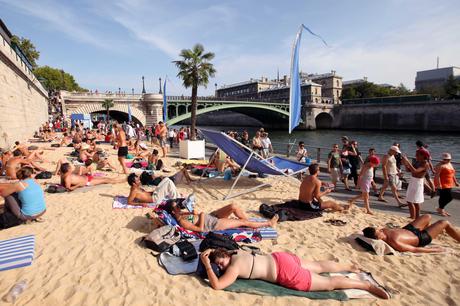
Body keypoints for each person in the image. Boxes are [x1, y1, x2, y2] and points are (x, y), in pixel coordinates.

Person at [199, 248, 389, 299]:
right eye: (219, 266)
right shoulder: (235, 252)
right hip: (281, 257)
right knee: (318, 266)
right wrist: (212, 252)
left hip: (283, 271)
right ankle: (350, 266)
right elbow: (219, 252)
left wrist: (207, 264)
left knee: (328, 284)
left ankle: (366, 285)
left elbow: (217, 285)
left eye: (220, 263)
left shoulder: (234, 268)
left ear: (224, 257)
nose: (222, 268)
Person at [363, 214, 460, 253]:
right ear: (378, 238)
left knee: (427, 216)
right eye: (378, 232)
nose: (380, 230)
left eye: (378, 229)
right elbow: (414, 249)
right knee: (444, 223)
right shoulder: (394, 242)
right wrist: (435, 249)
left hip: (409, 229)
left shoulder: (382, 231)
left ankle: (431, 230)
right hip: (420, 238)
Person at [163, 201, 278, 233]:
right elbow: (201, 229)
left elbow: (195, 216)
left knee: (233, 206)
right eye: (176, 207)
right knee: (243, 222)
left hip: (212, 216)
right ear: (173, 212)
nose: (179, 207)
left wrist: (193, 212)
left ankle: (248, 222)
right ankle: (269, 223)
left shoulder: (181, 214)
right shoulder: (182, 222)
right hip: (214, 224)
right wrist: (201, 215)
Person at [402, 150, 430, 219]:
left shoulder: (425, 164)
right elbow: (408, 170)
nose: (416, 156)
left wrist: (408, 162)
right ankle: (416, 217)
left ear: (423, 156)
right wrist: (405, 163)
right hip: (413, 181)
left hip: (418, 182)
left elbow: (415, 171)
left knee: (411, 200)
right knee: (414, 201)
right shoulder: (418, 162)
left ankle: (413, 217)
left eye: (417, 155)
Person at [60, 163, 124, 191]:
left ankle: (115, 179)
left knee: (105, 178)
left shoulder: (64, 175)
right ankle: (120, 181)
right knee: (105, 180)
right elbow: (68, 189)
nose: (72, 168)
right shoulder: (67, 178)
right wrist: (78, 185)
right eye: (70, 167)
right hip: (87, 182)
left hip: (86, 178)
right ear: (68, 170)